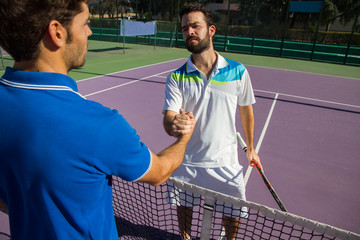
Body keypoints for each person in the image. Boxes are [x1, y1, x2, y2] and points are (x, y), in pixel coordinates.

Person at [0, 0, 196, 239]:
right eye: (85, 23)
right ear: (57, 32)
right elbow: (161, 172)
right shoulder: (99, 125)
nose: (89, 32)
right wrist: (184, 137)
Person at [162, 3, 262, 240]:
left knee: (233, 213)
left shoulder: (238, 71)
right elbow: (168, 117)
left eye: (195, 26)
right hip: (187, 161)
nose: (190, 32)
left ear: (211, 30)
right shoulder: (176, 77)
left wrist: (251, 148)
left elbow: (246, 110)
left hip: (225, 162)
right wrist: (174, 124)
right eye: (185, 28)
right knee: (183, 209)